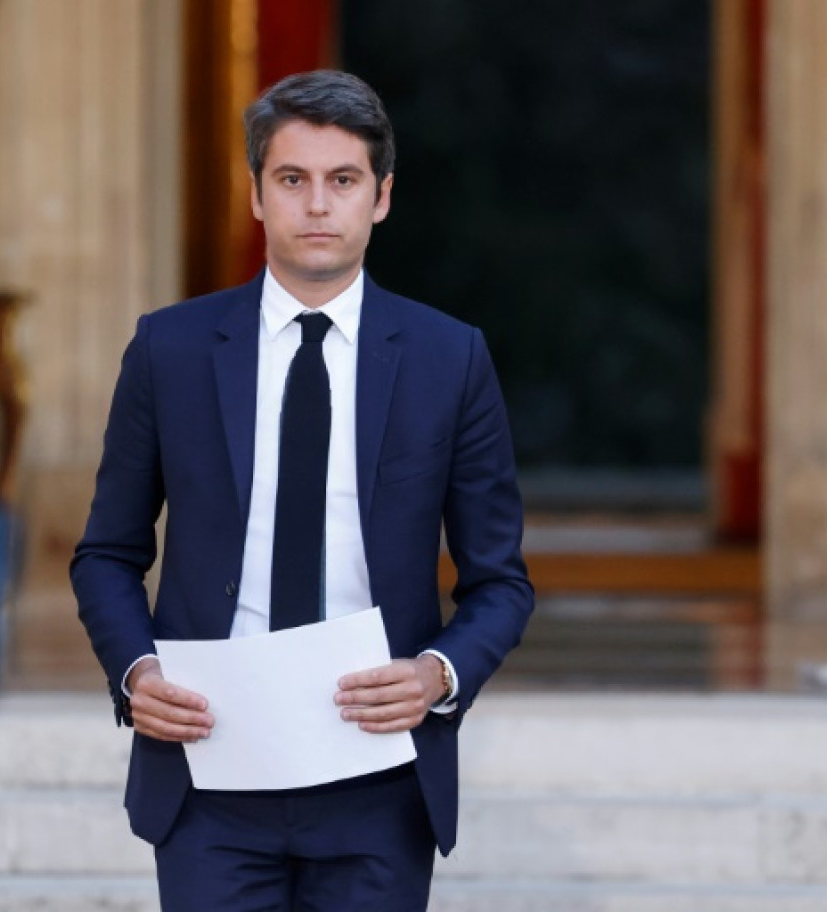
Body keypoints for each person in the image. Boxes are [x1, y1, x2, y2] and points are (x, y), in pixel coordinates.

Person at [71, 69, 533, 911]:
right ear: (256, 194)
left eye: (342, 181)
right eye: (293, 180)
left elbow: (501, 581)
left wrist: (438, 674)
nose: (317, 205)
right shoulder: (168, 352)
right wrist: (136, 672)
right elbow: (106, 553)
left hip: (378, 777)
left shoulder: (448, 358)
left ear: (381, 197)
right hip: (210, 770)